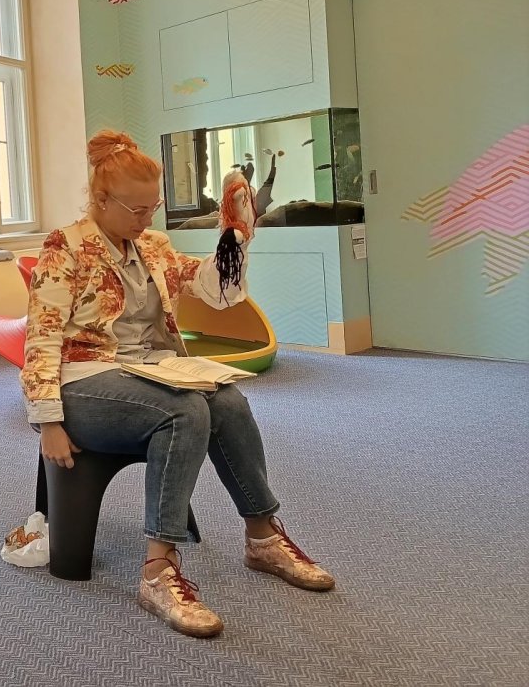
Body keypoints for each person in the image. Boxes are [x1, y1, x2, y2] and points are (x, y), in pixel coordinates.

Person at [20, 129, 334, 638]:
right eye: (136, 210)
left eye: (153, 208)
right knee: (185, 411)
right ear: (101, 199)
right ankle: (157, 570)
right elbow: (42, 338)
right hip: (84, 381)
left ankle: (262, 538)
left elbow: (215, 291)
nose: (146, 220)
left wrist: (235, 238)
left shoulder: (154, 246)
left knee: (228, 401)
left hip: (148, 370)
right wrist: (49, 422)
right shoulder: (65, 248)